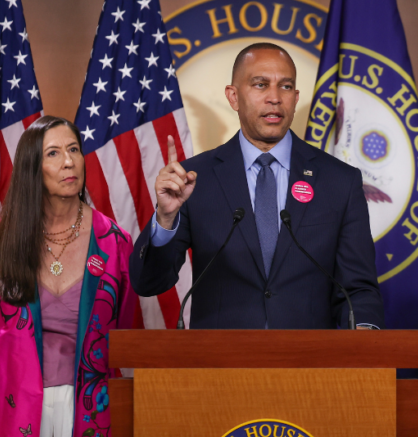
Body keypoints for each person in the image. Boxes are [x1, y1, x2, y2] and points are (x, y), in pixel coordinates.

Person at [128, 42, 384, 329]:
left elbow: (358, 290)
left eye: (285, 87)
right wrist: (165, 219)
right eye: (260, 85)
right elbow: (148, 282)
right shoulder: (194, 179)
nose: (274, 98)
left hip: (309, 367)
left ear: (296, 97)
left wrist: (364, 334)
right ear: (233, 97)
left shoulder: (339, 181)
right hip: (220, 367)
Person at [0, 115, 136, 437]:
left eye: (74, 149)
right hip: (16, 404)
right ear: (33, 167)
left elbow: (125, 325)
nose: (69, 161)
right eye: (53, 153)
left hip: (92, 407)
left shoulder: (114, 242)